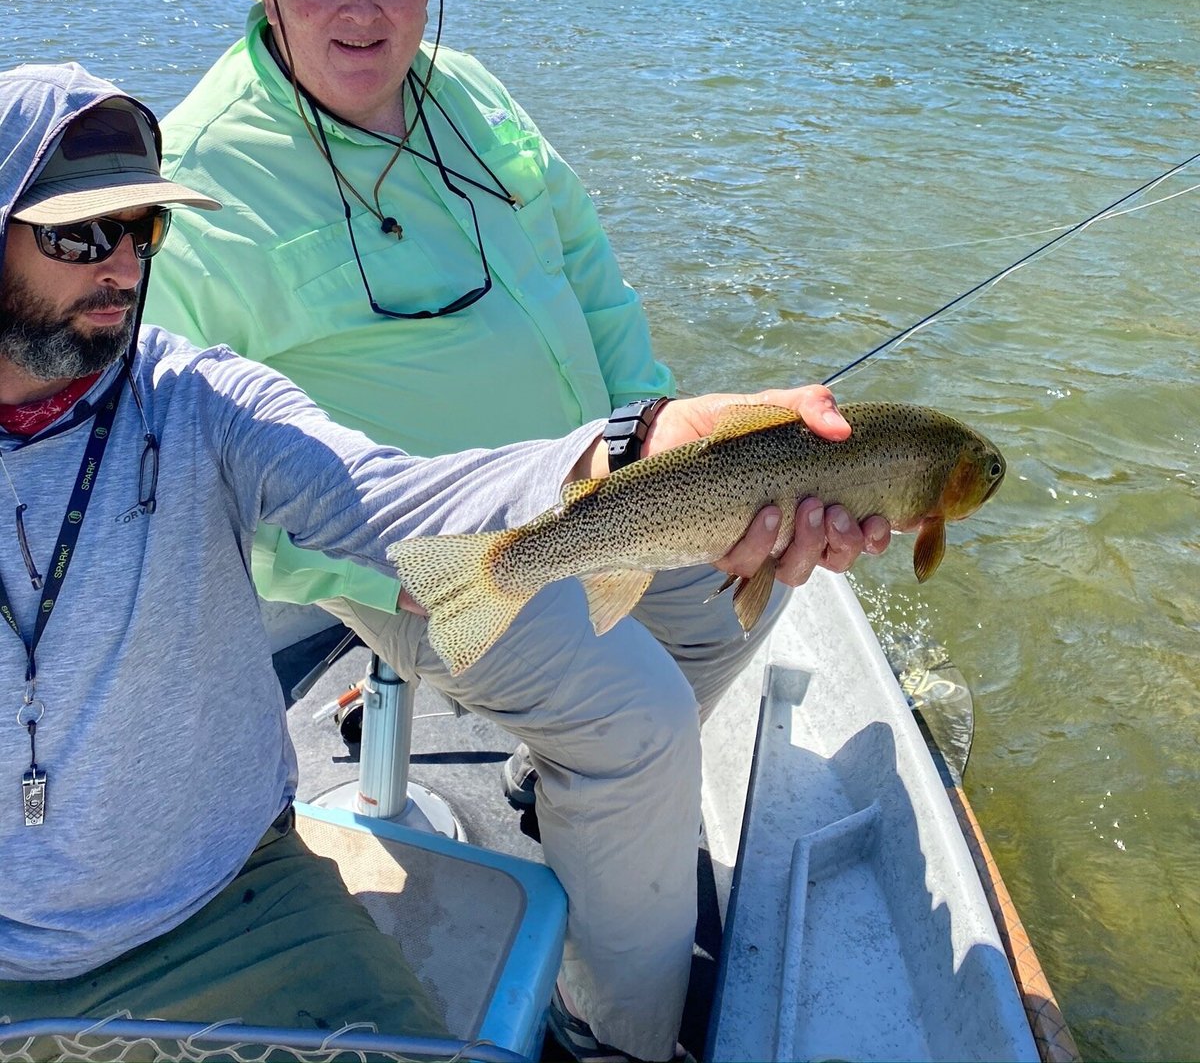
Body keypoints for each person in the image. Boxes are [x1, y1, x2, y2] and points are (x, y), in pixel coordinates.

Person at [146, 0, 892, 1063]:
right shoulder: (203, 173)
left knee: (741, 593)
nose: (359, 12)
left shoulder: (474, 96)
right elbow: (186, 442)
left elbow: (590, 278)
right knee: (636, 720)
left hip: (592, 486)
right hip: (397, 548)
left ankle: (567, 796)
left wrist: (670, 449)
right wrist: (338, 564)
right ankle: (617, 1032)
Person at [0, 61, 866, 1058]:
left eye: (143, 229)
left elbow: (393, 499)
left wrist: (633, 443)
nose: (120, 268)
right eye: (79, 234)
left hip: (227, 902)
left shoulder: (198, 399)